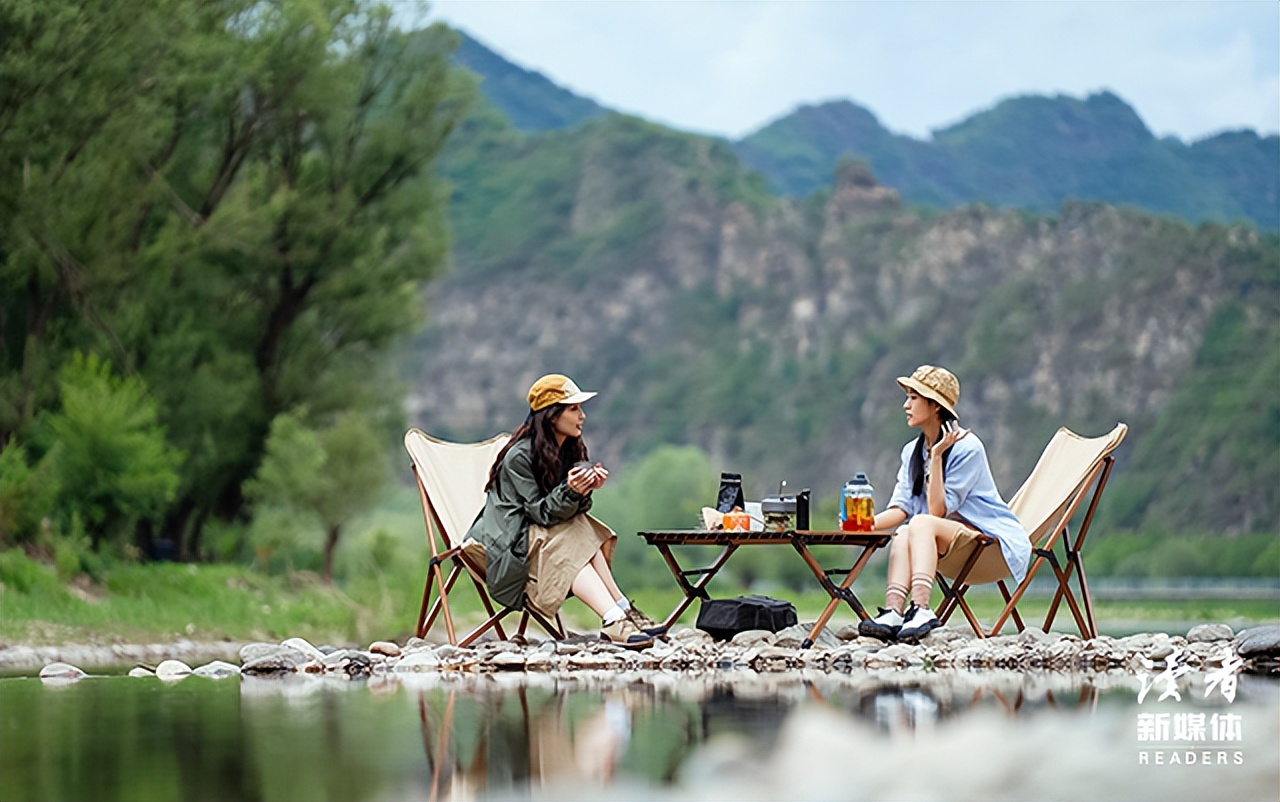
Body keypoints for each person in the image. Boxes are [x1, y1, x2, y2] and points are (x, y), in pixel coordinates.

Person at [466, 373, 664, 648]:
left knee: (580, 525)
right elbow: (538, 513)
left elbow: (567, 512)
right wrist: (571, 491)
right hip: (511, 547)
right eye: (574, 409)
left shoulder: (569, 449)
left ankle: (621, 610)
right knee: (570, 538)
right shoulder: (519, 457)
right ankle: (612, 618)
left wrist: (584, 490)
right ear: (551, 415)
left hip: (544, 537)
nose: (582, 416)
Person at [858, 365, 1030, 642]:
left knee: (921, 522)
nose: (906, 405)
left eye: (914, 398)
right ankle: (893, 610)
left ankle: (922, 608)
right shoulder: (911, 452)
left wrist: (937, 457)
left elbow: (938, 511)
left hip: (990, 546)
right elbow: (900, 509)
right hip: (944, 541)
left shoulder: (967, 448)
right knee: (904, 530)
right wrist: (863, 525)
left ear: (935, 406)